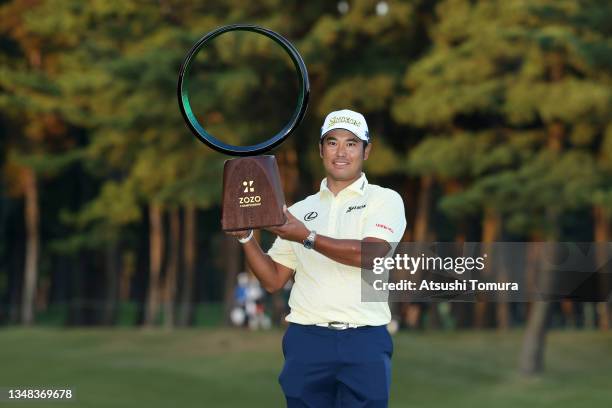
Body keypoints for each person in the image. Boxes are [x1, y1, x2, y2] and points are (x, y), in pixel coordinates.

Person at [227, 109, 406, 407]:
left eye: (351, 143)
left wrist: (306, 236)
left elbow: (373, 254)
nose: (341, 152)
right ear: (320, 150)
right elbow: (273, 280)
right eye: (332, 142)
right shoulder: (299, 210)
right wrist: (246, 237)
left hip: (364, 339)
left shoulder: (384, 199)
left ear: (367, 150)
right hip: (306, 340)